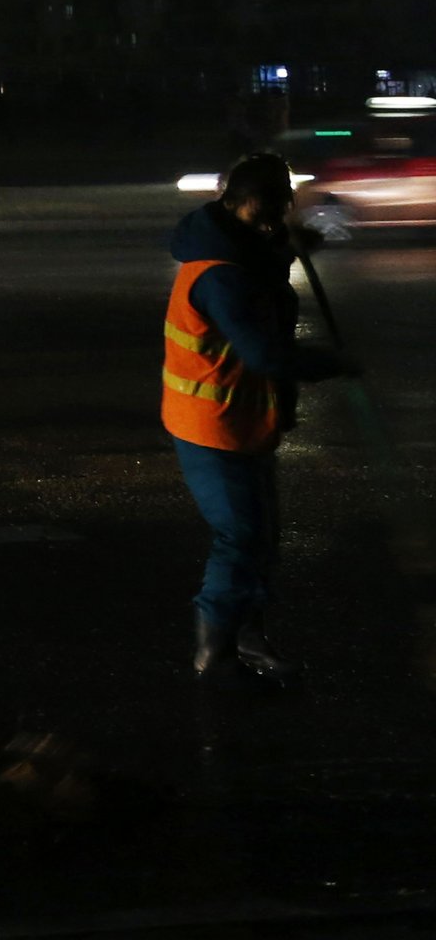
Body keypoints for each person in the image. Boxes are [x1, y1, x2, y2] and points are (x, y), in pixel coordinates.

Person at [163, 152, 349, 680]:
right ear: (239, 201)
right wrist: (332, 364)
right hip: (211, 423)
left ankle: (249, 638)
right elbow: (263, 353)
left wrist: (289, 250)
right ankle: (214, 650)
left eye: (283, 209)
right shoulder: (219, 274)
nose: (276, 219)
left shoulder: (243, 248)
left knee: (261, 535)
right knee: (239, 536)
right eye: (268, 209)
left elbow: (263, 267)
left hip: (246, 420)